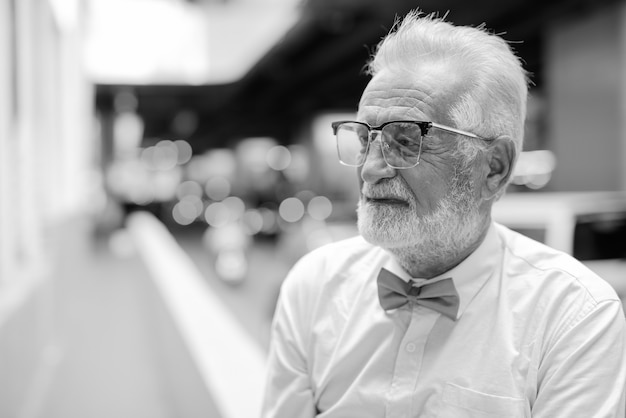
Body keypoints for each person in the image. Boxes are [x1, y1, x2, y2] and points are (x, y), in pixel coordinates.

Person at [261, 10, 626, 418]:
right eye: (366, 138)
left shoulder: (573, 315)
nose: (370, 169)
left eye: (406, 139)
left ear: (494, 167)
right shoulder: (314, 287)